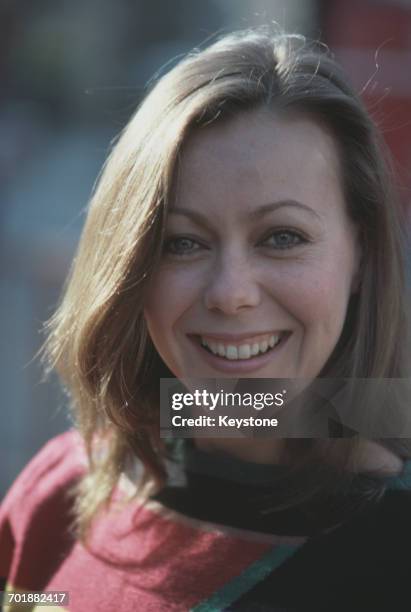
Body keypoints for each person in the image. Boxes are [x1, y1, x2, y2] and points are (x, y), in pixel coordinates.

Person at [1, 26, 411, 611]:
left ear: (362, 252)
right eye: (182, 243)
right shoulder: (57, 493)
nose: (230, 293)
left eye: (282, 237)